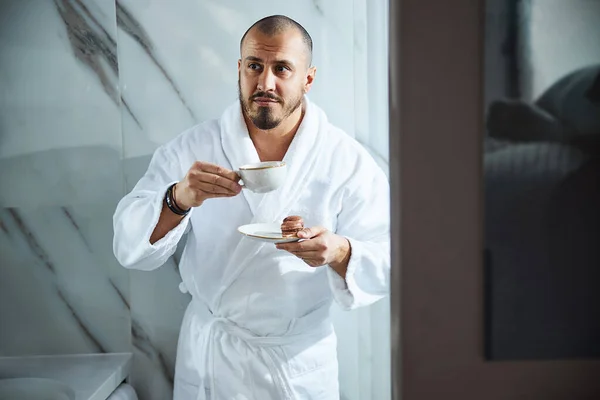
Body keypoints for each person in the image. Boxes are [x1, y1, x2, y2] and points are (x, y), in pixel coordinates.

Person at [113, 14, 390, 400]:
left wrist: (339, 250)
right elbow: (127, 243)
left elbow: (393, 254)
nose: (265, 83)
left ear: (308, 78)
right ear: (239, 69)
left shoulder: (346, 160)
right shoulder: (193, 149)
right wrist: (179, 198)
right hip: (210, 359)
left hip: (294, 366)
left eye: (282, 69)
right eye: (255, 66)